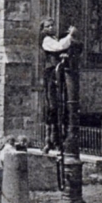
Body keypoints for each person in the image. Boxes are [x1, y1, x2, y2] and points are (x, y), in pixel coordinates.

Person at [40, 18, 77, 153]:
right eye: (47, 26)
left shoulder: (55, 38)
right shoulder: (46, 40)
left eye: (52, 25)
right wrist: (70, 35)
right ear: (43, 28)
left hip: (59, 73)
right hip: (51, 74)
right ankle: (50, 140)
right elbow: (59, 46)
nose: (50, 28)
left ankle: (61, 139)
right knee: (53, 106)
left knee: (64, 105)